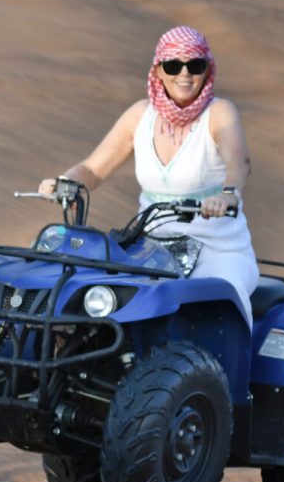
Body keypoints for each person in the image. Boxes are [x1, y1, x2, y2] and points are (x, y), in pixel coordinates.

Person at [38, 25, 260, 321]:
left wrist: (228, 195)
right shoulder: (140, 116)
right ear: (158, 71)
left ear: (207, 70)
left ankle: (226, 369)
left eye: (195, 65)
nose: (184, 74)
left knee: (219, 312)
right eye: (173, 65)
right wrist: (64, 183)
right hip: (152, 250)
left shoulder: (219, 113)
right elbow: (93, 168)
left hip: (216, 249)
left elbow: (239, 161)